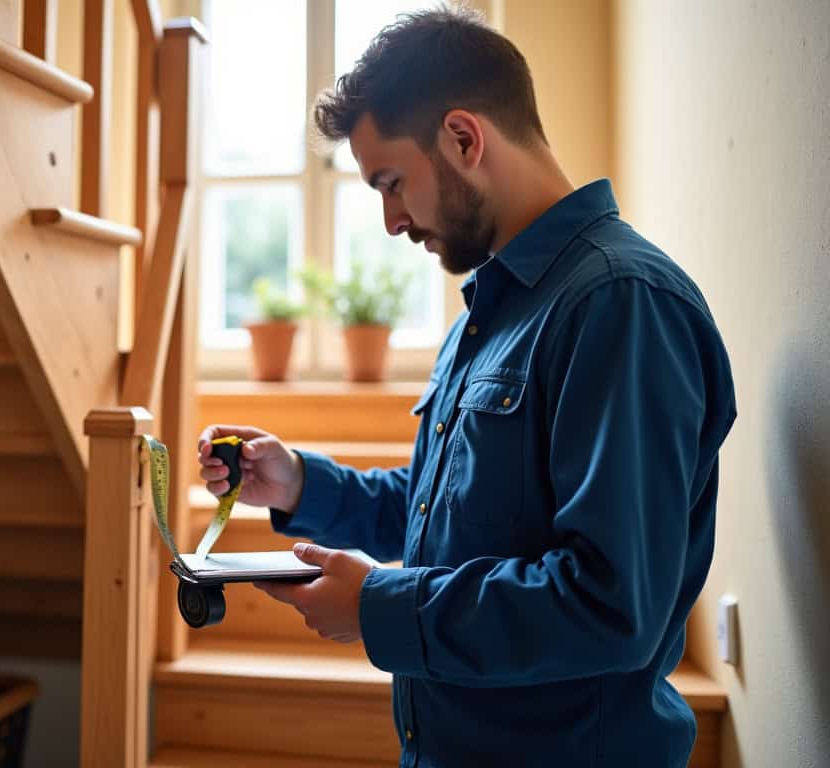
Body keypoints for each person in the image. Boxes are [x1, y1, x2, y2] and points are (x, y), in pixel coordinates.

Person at [196, 7, 736, 767]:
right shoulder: (490, 313)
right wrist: (296, 484)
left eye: (391, 183)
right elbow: (445, 521)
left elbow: (610, 605)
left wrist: (378, 607)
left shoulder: (620, 303)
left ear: (463, 138)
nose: (389, 221)